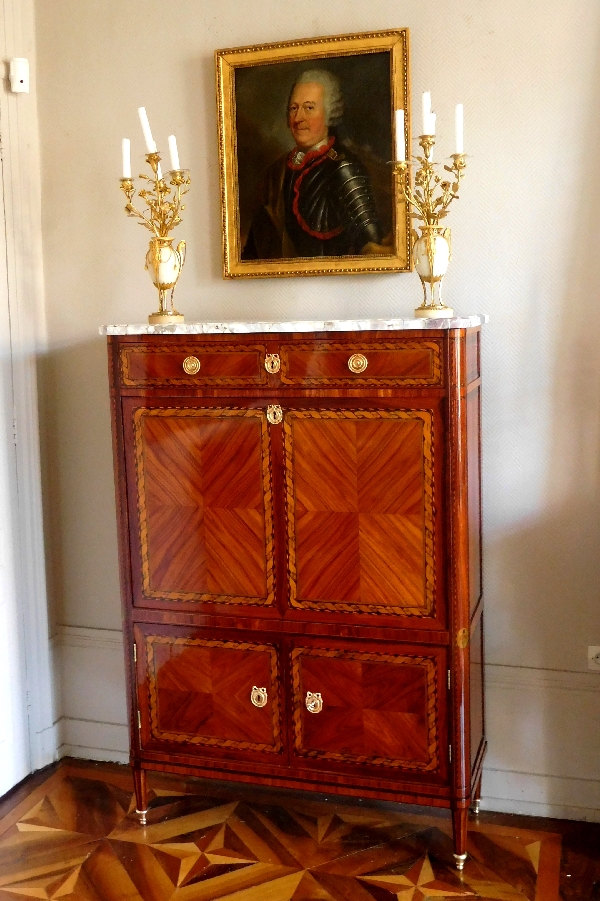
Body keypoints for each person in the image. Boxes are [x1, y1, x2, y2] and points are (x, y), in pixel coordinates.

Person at [242, 69, 387, 260]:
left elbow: (373, 249)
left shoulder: (345, 170)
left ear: (329, 114)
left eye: (309, 108)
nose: (298, 118)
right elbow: (254, 252)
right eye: (294, 108)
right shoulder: (275, 174)